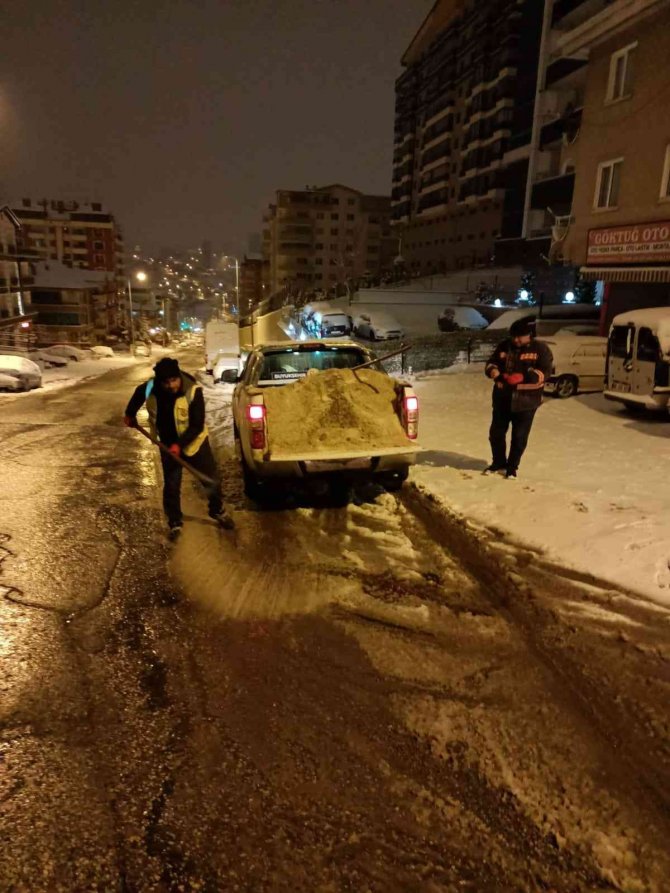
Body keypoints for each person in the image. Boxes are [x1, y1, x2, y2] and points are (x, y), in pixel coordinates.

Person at [123, 357, 233, 534]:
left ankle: (217, 510)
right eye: (166, 382)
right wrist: (130, 413)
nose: (171, 386)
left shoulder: (192, 391)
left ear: (179, 376)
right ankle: (174, 521)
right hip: (166, 444)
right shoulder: (152, 387)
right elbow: (138, 393)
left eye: (174, 380)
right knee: (172, 484)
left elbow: (197, 425)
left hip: (194, 443)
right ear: (160, 381)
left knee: (210, 479)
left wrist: (179, 445)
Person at [484, 318, 553, 479]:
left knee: (519, 436)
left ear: (529, 335)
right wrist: (493, 371)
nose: (515, 340)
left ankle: (512, 467)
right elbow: (491, 362)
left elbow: (545, 373)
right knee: (496, 433)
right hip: (502, 399)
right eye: (513, 336)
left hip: (526, 402)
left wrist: (524, 376)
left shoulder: (540, 349)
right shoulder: (504, 346)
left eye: (519, 337)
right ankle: (498, 462)